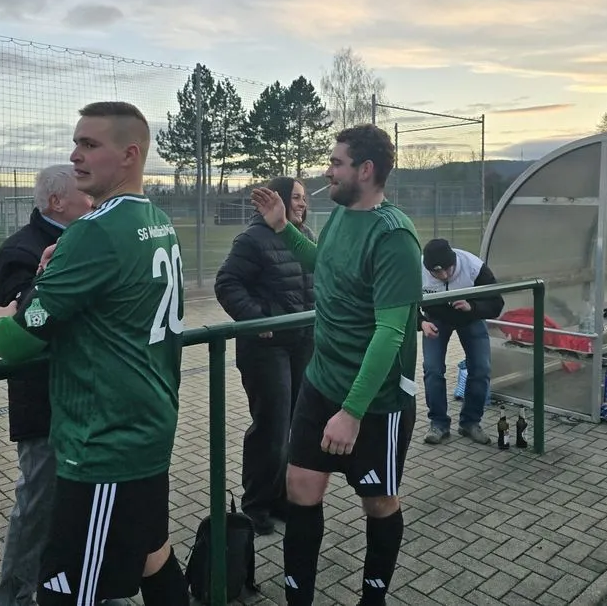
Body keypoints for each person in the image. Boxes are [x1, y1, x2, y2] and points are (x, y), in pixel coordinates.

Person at [0, 101, 188, 605]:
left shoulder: (93, 231)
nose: (75, 155)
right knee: (152, 555)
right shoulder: (157, 220)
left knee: (67, 591)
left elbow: (17, 340)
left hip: (103, 443)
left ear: (130, 155)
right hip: (149, 424)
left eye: (90, 144)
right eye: (76, 143)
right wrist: (56, 270)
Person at [250, 124, 423, 606]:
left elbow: (390, 333)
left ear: (365, 170)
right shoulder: (341, 216)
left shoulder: (394, 237)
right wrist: (283, 227)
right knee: (300, 487)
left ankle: (373, 598)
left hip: (375, 400)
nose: (327, 171)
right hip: (321, 383)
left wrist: (351, 412)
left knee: (378, 502)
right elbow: (321, 263)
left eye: (336, 162)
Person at [0, 166, 94, 606]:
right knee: (38, 502)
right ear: (56, 202)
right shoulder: (19, 250)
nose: (93, 199)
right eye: (85, 194)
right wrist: (46, 277)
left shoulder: (88, 241)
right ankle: (15, 595)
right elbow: (26, 322)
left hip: (87, 397)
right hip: (44, 403)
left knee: (84, 503)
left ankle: (88, 587)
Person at [215, 176, 315, 536]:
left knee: (295, 424)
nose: (302, 204)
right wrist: (257, 319)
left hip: (302, 342)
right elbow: (226, 283)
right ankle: (256, 504)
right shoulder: (252, 239)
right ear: (281, 199)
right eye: (296, 197)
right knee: (271, 426)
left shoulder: (305, 236)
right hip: (266, 348)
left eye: (303, 198)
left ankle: (281, 498)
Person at [418, 238, 504, 446]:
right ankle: (438, 423)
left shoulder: (474, 267)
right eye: (436, 273)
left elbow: (496, 303)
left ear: (454, 261)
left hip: (469, 317)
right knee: (432, 369)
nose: (444, 276)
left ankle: (470, 422)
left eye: (448, 269)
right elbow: (405, 301)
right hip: (435, 318)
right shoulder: (417, 270)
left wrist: (472, 307)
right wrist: (420, 323)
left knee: (481, 368)